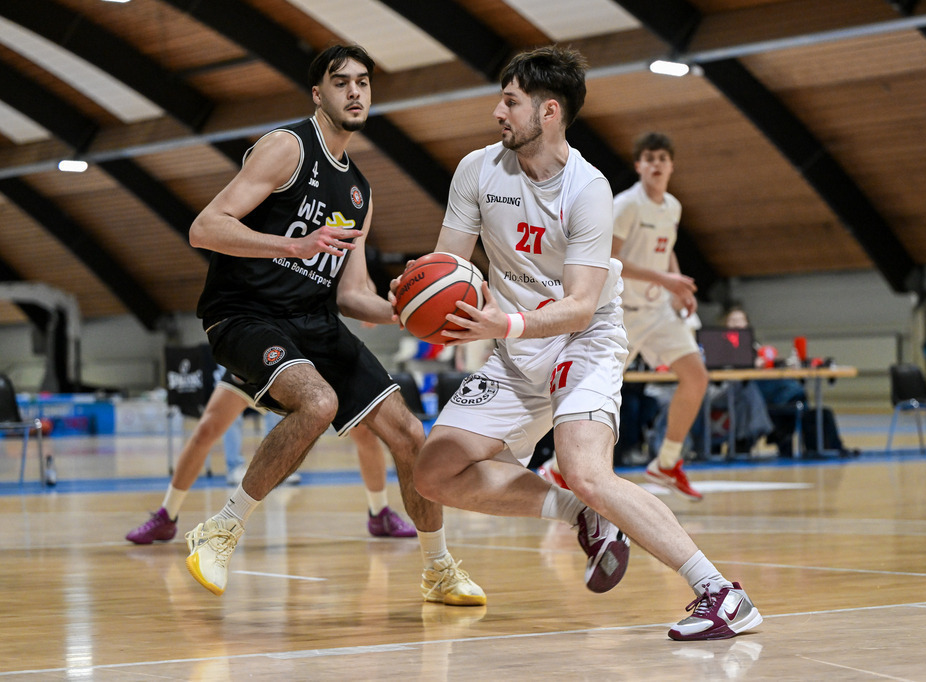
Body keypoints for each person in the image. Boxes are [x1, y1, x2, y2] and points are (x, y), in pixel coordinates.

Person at [403, 46, 760, 640]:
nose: (497, 111)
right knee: (433, 473)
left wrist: (505, 325)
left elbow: (580, 305)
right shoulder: (475, 169)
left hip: (582, 339)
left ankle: (721, 593)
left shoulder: (588, 189)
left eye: (510, 101)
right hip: (516, 346)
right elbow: (449, 266)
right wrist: (417, 292)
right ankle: (582, 516)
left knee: (584, 467)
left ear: (548, 111)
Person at [182, 44, 484, 606]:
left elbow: (350, 294)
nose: (355, 92)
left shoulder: (359, 192)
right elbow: (205, 227)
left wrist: (405, 308)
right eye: (341, 82)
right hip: (244, 313)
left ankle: (438, 569)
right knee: (317, 404)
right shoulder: (286, 148)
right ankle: (220, 529)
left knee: (411, 435)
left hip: (315, 321)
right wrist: (292, 244)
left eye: (364, 83)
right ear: (318, 94)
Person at [537, 132, 705, 501]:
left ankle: (666, 463)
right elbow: (609, 259)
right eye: (650, 158)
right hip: (623, 312)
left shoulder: (672, 207)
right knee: (595, 392)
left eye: (663, 157)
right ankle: (556, 467)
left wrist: (676, 288)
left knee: (696, 377)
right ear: (639, 166)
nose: (657, 164)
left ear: (671, 165)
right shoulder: (627, 204)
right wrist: (665, 278)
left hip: (659, 311)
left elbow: (667, 252)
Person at [124, 376, 415, 545]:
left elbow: (357, 289)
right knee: (206, 429)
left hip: (312, 349)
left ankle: (379, 515)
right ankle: (166, 516)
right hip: (265, 345)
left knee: (363, 432)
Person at [724, 307, 855, 457]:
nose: (736, 324)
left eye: (740, 320)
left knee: (791, 391)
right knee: (790, 391)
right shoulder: (720, 346)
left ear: (747, 324)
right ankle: (782, 428)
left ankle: (795, 432)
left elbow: (768, 363)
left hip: (763, 387)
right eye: (732, 320)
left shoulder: (755, 346)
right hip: (741, 389)